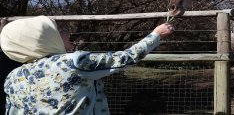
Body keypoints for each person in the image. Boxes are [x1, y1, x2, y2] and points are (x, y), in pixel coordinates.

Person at [0, 15, 174, 114]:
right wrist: (156, 35)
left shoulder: (12, 78)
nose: (67, 35)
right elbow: (125, 58)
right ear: (43, 39)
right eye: (59, 31)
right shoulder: (74, 62)